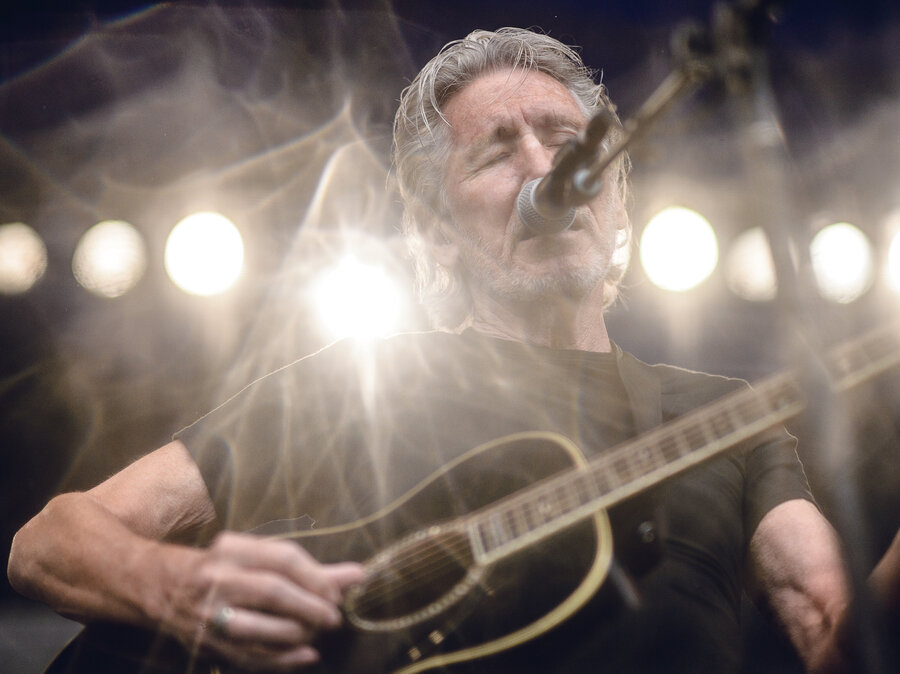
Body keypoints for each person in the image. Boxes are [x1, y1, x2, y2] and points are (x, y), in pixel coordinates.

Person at [7, 27, 899, 674]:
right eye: (497, 154)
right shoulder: (356, 387)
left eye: (565, 142)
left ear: (617, 201)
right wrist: (177, 590)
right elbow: (51, 543)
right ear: (434, 235)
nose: (546, 171)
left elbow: (836, 628)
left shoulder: (722, 418)